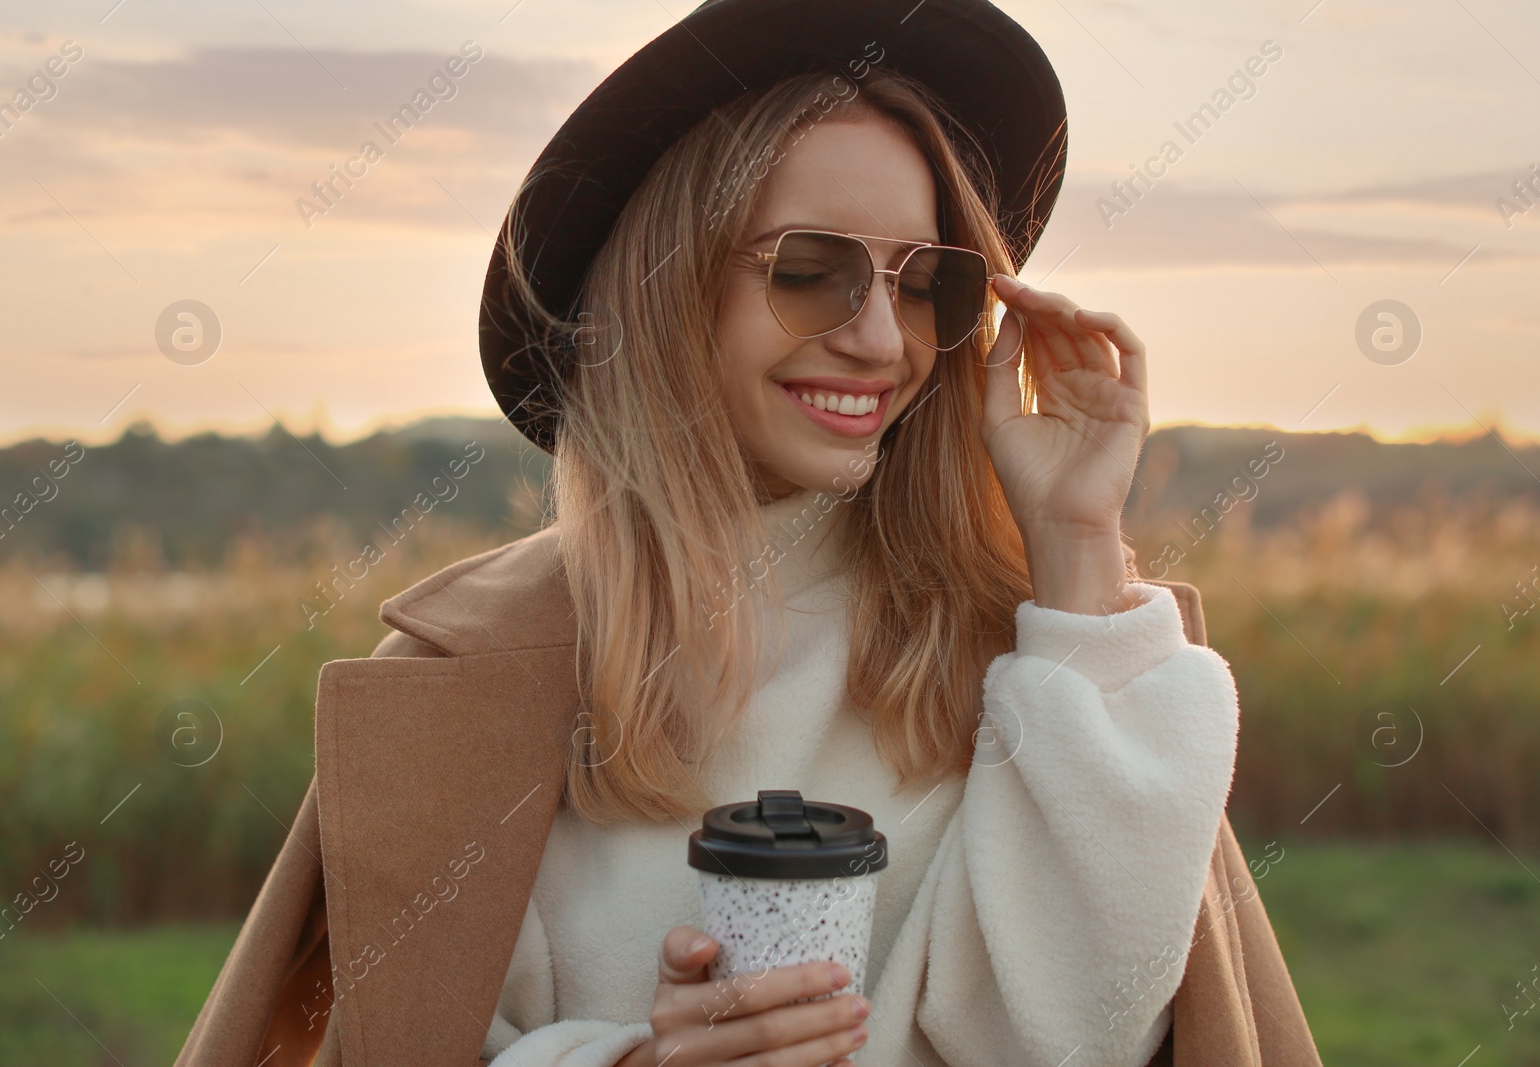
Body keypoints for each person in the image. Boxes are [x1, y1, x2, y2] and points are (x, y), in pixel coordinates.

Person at [176, 2, 1322, 1064]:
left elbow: (1073, 1035)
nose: (881, 340)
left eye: (928, 282)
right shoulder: (467, 683)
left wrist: (1074, 540)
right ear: (664, 289)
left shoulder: (1055, 661)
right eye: (811, 270)